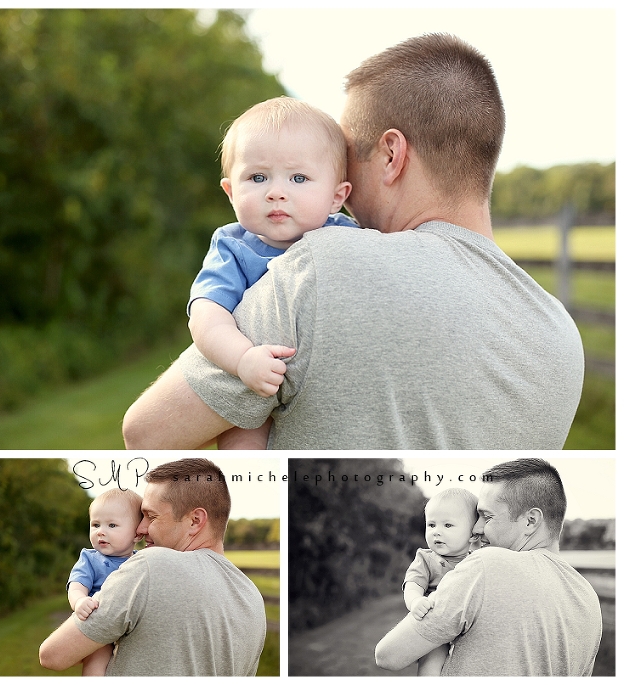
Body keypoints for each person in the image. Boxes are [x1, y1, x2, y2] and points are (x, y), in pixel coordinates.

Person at [122, 33, 584, 450]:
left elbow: (146, 431)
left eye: (347, 162)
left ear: (390, 155)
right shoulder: (562, 335)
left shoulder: (326, 265)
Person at [187, 97, 354, 449]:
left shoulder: (349, 237)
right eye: (258, 177)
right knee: (242, 438)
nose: (276, 193)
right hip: (253, 378)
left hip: (327, 384)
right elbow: (206, 314)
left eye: (298, 177)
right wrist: (243, 359)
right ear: (230, 192)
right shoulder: (233, 247)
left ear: (337, 196)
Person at [375, 458, 602, 676]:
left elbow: (388, 655)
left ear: (530, 521)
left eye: (487, 517)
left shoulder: (487, 565)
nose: (476, 528)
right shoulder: (588, 598)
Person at [39, 458, 267, 676]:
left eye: (151, 516)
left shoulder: (151, 565)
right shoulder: (252, 596)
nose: (140, 528)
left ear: (195, 521)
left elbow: (53, 655)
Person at [66, 488, 143, 676]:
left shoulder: (142, 561)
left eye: (112, 525)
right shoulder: (90, 559)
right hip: (100, 623)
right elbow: (76, 585)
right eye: (95, 524)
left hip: (131, 625)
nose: (101, 532)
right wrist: (79, 602)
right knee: (96, 663)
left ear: (137, 534)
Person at [403, 488, 479, 676]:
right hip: (435, 623)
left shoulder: (477, 562)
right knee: (431, 665)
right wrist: (415, 602)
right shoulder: (426, 558)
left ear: (473, 534)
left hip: (466, 624)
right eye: (431, 525)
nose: (437, 532)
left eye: (447, 526)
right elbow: (413, 584)